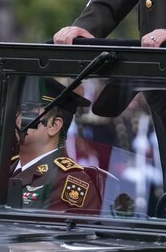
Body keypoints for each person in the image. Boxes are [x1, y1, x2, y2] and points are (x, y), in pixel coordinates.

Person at [9, 78, 103, 213]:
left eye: (28, 112)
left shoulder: (69, 181)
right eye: (17, 110)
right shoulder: (5, 168)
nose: (17, 119)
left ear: (54, 125)